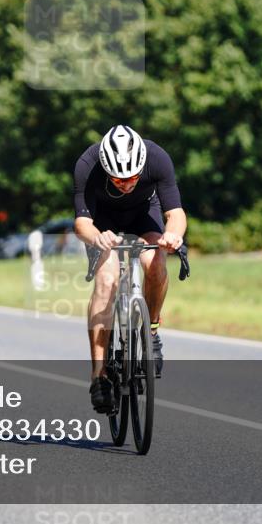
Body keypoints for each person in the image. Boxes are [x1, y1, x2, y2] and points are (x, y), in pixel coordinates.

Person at [73, 125, 186, 413]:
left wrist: (173, 235)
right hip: (103, 223)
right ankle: (99, 375)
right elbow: (82, 224)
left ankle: (152, 332)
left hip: (144, 214)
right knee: (106, 280)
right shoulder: (87, 165)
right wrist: (97, 238)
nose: (125, 185)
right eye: (118, 180)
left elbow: (175, 213)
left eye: (132, 178)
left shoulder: (157, 158)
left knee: (155, 262)